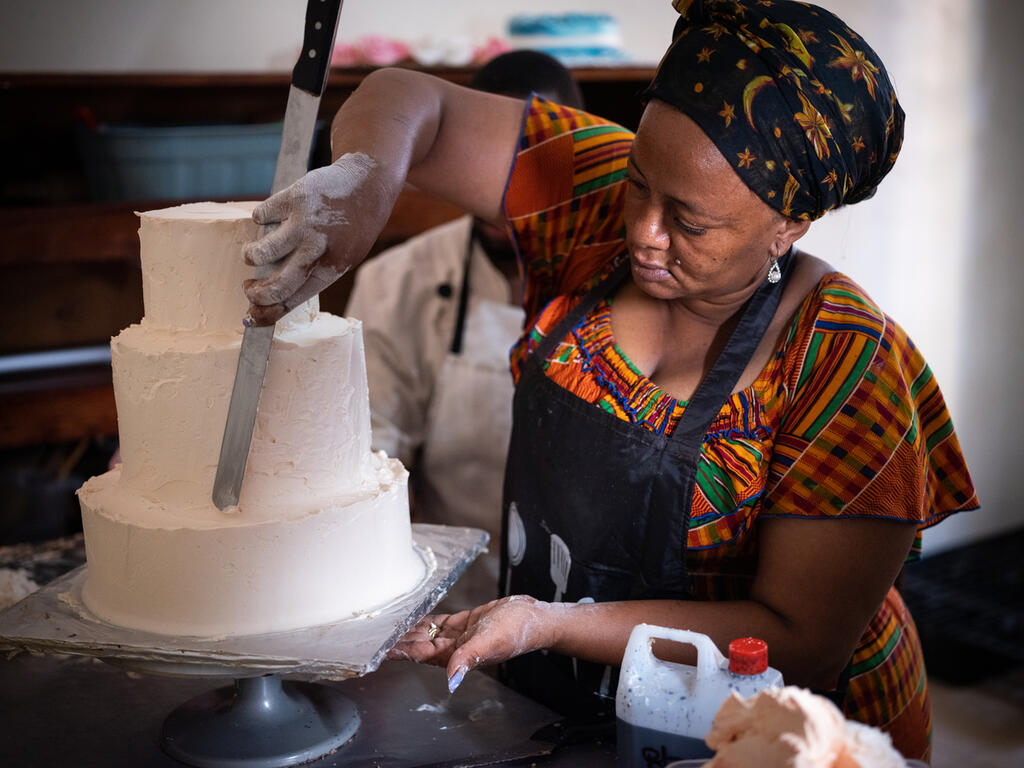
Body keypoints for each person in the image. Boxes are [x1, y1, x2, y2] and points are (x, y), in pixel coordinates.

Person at [239, 1, 979, 761]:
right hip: (567, 706)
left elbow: (799, 641)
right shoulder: (592, 197)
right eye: (639, 185)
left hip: (775, 736)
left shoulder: (848, 364)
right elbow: (407, 99)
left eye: (690, 223)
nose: (643, 232)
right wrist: (365, 181)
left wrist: (552, 624)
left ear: (789, 223)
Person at [345, 51, 584, 611]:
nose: (506, 186)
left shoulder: (626, 280)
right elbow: (369, 459)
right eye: (493, 163)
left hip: (582, 610)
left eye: (533, 167)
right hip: (443, 598)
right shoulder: (398, 280)